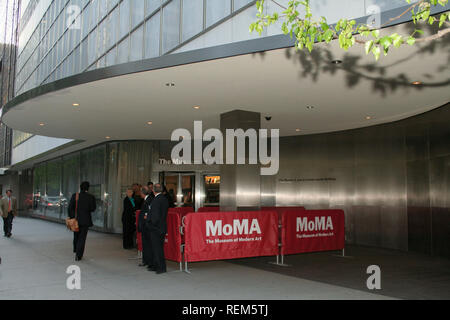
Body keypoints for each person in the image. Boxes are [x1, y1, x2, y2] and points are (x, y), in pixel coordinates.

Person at [68, 181, 96, 261]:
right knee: (82, 238)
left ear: (80, 187)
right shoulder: (91, 197)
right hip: (86, 220)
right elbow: (93, 209)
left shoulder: (75, 196)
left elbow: (70, 208)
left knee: (76, 235)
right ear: (88, 188)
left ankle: (76, 249)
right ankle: (79, 255)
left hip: (76, 220)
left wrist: (72, 217)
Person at [146, 183, 169, 274]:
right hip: (161, 227)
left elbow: (155, 216)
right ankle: (156, 266)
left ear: (153, 190)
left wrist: (150, 224)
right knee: (157, 248)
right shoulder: (164, 199)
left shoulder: (156, 200)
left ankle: (161, 267)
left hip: (156, 228)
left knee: (157, 248)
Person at [139, 185, 154, 270]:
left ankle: (149, 261)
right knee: (145, 244)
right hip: (145, 225)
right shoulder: (145, 200)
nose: (140, 193)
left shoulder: (150, 200)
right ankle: (146, 260)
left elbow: (149, 212)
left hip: (147, 225)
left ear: (143, 193)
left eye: (141, 192)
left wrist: (146, 216)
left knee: (148, 244)